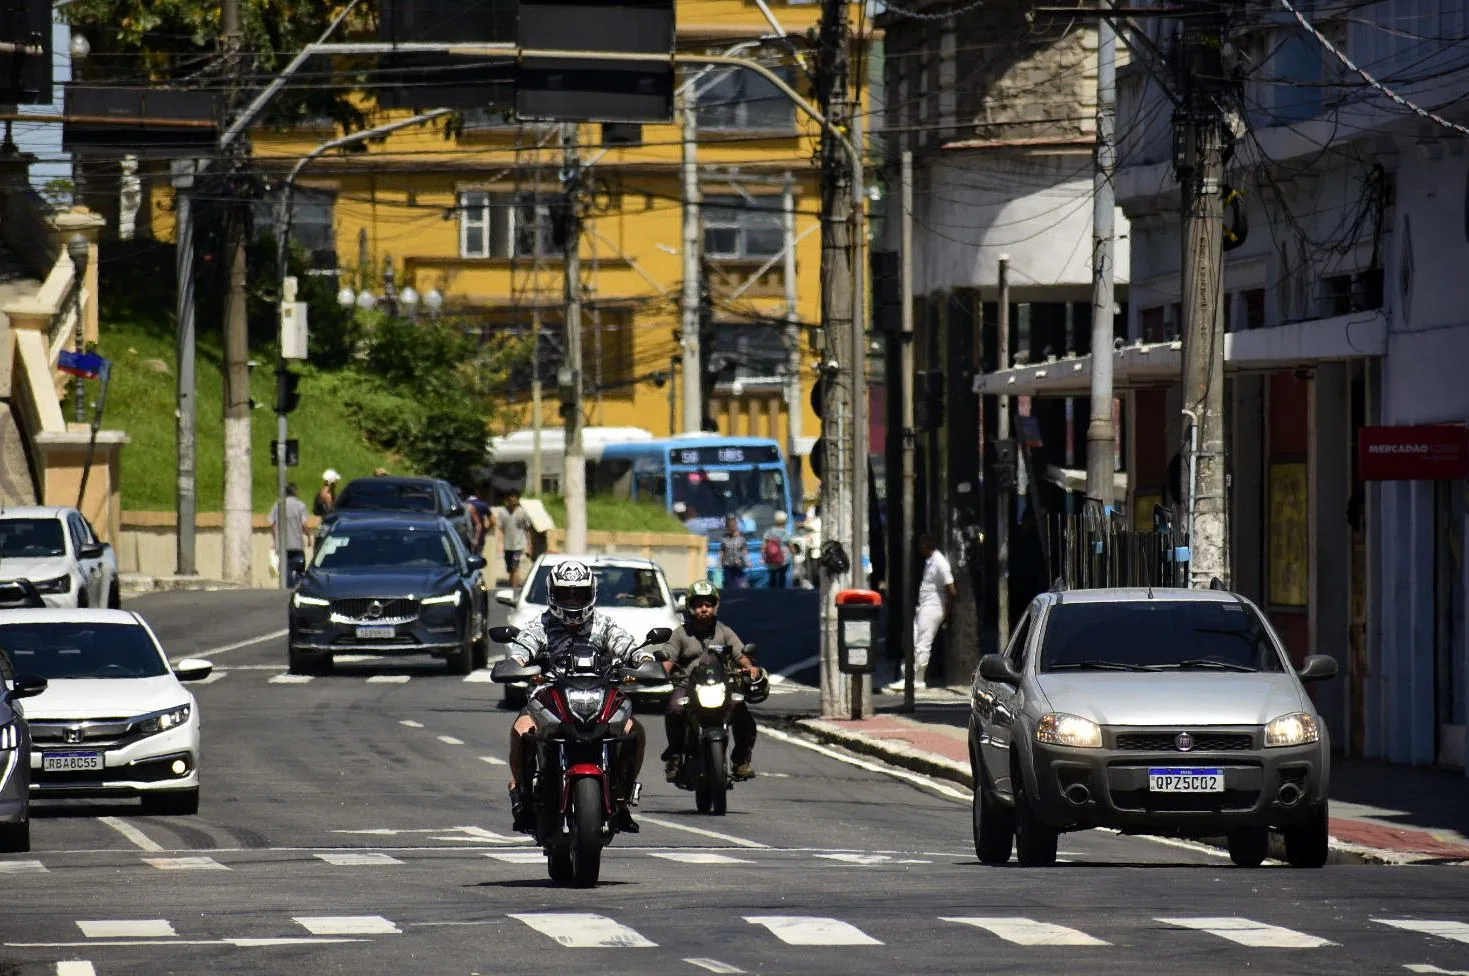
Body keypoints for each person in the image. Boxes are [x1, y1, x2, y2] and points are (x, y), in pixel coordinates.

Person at [503, 560, 654, 833]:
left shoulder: (604, 624)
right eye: (565, 594)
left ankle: (622, 798)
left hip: (600, 698)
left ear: (590, 594)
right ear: (553, 594)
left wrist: (642, 658)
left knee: (635, 732)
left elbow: (627, 645)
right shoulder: (540, 625)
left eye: (578, 594)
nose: (572, 600)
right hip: (548, 699)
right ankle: (523, 796)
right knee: (521, 730)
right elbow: (522, 648)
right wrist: (518, 662)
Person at [660, 579, 761, 782]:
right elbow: (668, 659)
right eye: (698, 605)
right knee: (674, 709)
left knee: (742, 714)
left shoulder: (724, 632)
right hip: (687, 687)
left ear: (715, 607)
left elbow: (740, 654)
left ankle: (740, 761)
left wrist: (749, 668)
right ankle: (675, 756)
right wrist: (657, 671)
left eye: (708, 604)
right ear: (690, 607)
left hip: (720, 688)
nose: (703, 609)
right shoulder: (680, 634)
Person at [883, 533, 956, 693]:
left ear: (929, 544)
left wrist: (947, 613)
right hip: (924, 606)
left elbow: (951, 589)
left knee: (923, 643)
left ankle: (918, 679)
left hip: (933, 606)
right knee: (913, 641)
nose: (920, 548)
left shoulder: (940, 562)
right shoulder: (930, 561)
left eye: (923, 544)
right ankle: (907, 676)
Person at [268, 483, 311, 586]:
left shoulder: (278, 505)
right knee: (299, 569)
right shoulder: (300, 505)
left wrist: (275, 541)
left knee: (284, 570)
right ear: (295, 492)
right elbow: (304, 524)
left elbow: (272, 524)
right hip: (297, 545)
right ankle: (297, 587)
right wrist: (309, 536)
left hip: (282, 546)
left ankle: (285, 588)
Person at [493, 489, 534, 587]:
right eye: (511, 497)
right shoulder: (503, 513)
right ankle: (515, 584)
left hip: (519, 545)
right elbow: (500, 529)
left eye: (515, 497)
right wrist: (499, 544)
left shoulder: (522, 513)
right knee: (510, 569)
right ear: (507, 499)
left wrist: (529, 545)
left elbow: (527, 530)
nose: (513, 499)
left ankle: (514, 588)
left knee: (514, 567)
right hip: (508, 546)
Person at [762, 510, 791, 588]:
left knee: (772, 575)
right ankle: (781, 593)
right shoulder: (785, 532)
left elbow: (764, 545)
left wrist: (763, 557)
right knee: (782, 575)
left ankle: (772, 593)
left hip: (771, 557)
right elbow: (789, 545)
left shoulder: (769, 531)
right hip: (783, 559)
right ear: (785, 521)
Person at [720, 516, 748, 588]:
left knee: (741, 587)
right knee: (728, 586)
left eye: (734, 524)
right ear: (728, 527)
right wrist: (721, 562)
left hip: (739, 565)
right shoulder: (724, 538)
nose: (733, 526)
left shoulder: (741, 538)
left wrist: (747, 561)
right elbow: (722, 551)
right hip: (728, 565)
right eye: (731, 525)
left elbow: (744, 550)